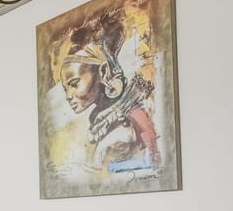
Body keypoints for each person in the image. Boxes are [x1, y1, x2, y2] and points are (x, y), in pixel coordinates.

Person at [49, 13, 160, 173]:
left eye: (74, 84)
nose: (68, 96)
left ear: (103, 72)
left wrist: (108, 169)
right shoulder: (97, 120)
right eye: (66, 89)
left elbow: (153, 162)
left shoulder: (135, 115)